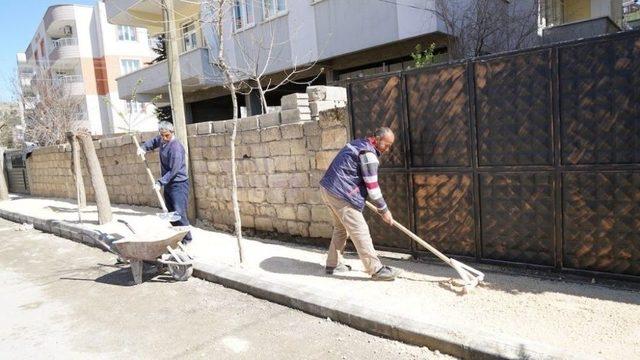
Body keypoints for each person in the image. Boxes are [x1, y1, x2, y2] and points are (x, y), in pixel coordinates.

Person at [319, 127, 401, 281]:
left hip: (328, 188)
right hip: (341, 193)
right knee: (360, 229)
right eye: (386, 144)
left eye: (390, 146)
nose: (387, 149)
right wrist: (384, 210)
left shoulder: (359, 144)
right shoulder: (368, 154)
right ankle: (376, 270)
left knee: (341, 228)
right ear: (376, 139)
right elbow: (372, 187)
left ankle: (333, 263)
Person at [137, 121, 192, 244]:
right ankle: (177, 235)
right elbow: (154, 142)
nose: (164, 138)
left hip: (179, 184)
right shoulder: (162, 139)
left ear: (172, 133)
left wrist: (160, 182)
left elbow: (174, 170)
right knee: (170, 211)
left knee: (179, 212)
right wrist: (144, 148)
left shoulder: (176, 148)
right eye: (162, 135)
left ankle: (187, 239)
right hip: (168, 184)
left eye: (166, 135)